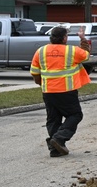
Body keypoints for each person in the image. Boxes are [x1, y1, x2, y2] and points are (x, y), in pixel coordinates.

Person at [30, 26, 92, 157]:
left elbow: (35, 72)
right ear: (64, 38)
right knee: (75, 115)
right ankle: (58, 139)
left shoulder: (41, 51)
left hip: (48, 91)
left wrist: (42, 83)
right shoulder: (71, 51)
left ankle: (55, 149)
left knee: (53, 119)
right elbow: (86, 55)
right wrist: (83, 38)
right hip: (67, 91)